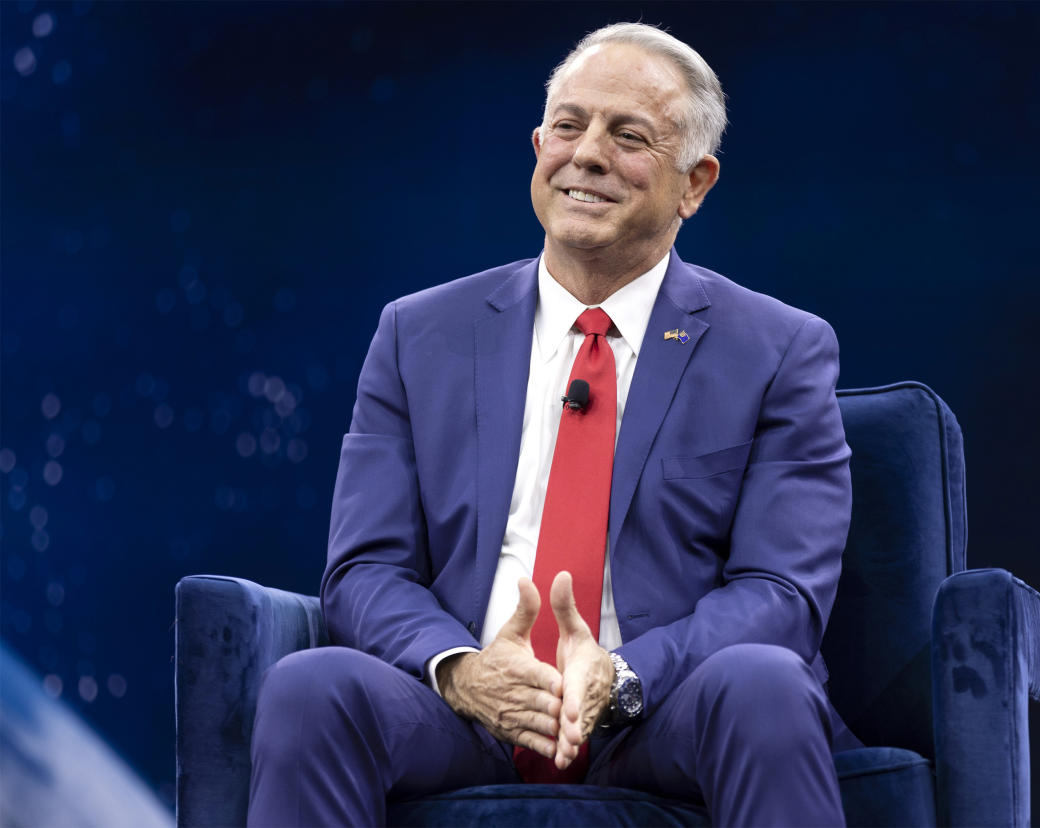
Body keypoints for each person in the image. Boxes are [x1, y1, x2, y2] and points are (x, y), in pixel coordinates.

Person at [248, 22, 859, 827]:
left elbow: (781, 592)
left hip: (663, 709)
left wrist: (623, 676)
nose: (588, 154)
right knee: (310, 684)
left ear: (695, 183)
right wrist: (464, 671)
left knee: (766, 682)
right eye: (568, 126)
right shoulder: (417, 334)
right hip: (461, 715)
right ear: (538, 146)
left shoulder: (778, 349)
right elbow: (364, 570)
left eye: (629, 135)